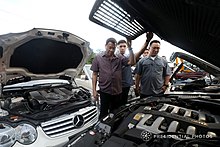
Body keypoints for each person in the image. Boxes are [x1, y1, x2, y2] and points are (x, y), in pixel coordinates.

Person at [91, 37, 135, 119]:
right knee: (103, 113)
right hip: (104, 91)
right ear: (105, 46)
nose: (111, 50)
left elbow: (131, 62)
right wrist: (94, 90)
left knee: (115, 113)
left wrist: (130, 48)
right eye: (109, 47)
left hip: (117, 92)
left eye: (113, 48)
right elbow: (94, 74)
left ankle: (113, 129)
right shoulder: (98, 58)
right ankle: (102, 129)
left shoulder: (119, 57)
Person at [117, 39, 135, 105]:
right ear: (117, 47)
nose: (122, 48)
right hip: (117, 85)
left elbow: (132, 62)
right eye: (121, 46)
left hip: (126, 84)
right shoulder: (115, 56)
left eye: (124, 46)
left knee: (124, 102)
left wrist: (130, 48)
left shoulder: (128, 56)